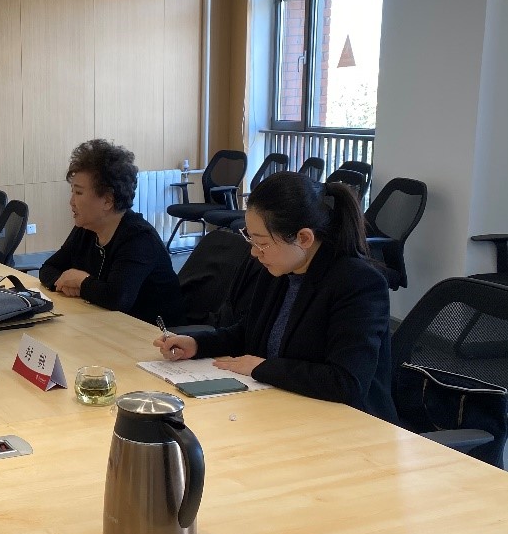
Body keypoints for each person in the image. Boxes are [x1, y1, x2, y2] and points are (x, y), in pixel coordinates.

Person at [154, 171, 397, 422]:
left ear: (304, 238)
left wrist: (262, 368)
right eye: (250, 239)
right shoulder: (279, 269)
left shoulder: (358, 283)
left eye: (262, 242)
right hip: (285, 405)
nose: (254, 252)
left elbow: (346, 382)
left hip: (349, 423)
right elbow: (248, 334)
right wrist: (198, 344)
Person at [39, 139, 184, 324]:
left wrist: (82, 282)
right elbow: (48, 269)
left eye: (79, 193)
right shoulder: (86, 229)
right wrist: (67, 283)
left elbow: (117, 299)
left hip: (155, 334)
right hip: (107, 325)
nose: (71, 202)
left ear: (108, 201)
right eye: (72, 192)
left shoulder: (139, 239)